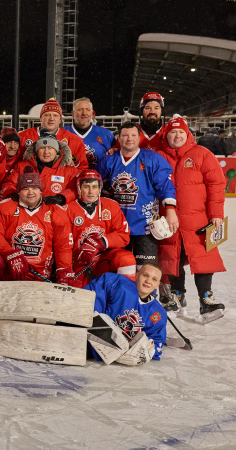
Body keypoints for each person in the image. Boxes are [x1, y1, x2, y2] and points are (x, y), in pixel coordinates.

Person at [153, 116, 226, 321]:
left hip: (198, 219)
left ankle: (206, 299)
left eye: (181, 133)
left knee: (203, 256)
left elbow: (216, 185)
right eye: (172, 132)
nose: (177, 136)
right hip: (169, 218)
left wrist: (216, 214)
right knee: (171, 256)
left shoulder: (202, 154)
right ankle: (176, 295)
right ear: (166, 135)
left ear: (188, 134)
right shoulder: (158, 156)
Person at [96, 122, 177, 270]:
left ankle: (147, 295)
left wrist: (171, 210)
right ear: (118, 138)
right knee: (120, 270)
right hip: (116, 227)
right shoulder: (108, 160)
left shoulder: (152, 159)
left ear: (139, 138)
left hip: (145, 226)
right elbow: (95, 189)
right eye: (125, 135)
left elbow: (165, 186)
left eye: (133, 135)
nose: (129, 139)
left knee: (146, 271)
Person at [0, 168, 74, 284]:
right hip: (10, 270)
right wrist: (10, 253)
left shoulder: (55, 211)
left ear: (41, 190)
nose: (30, 192)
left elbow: (63, 245)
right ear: (18, 191)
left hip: (40, 276)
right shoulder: (5, 207)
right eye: (25, 189)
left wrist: (64, 270)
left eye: (35, 188)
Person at [64, 169, 135, 288]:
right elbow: (62, 244)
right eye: (86, 186)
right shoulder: (68, 209)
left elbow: (123, 235)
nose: (91, 191)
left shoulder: (111, 206)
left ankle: (126, 295)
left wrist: (101, 242)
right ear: (79, 188)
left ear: (99, 189)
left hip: (104, 260)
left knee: (126, 259)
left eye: (95, 187)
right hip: (79, 263)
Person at [84, 263, 168, 361]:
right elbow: (91, 296)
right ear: (137, 275)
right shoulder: (118, 284)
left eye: (154, 279)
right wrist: (95, 322)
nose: (148, 281)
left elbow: (156, 341)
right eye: (145, 275)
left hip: (119, 362)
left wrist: (143, 352)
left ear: (157, 284)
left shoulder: (158, 313)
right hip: (89, 345)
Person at [2, 135, 79, 206]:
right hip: (25, 211)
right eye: (42, 148)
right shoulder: (22, 166)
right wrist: (12, 194)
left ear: (56, 151)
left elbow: (75, 188)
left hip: (55, 213)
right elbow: (9, 183)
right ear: (36, 151)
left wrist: (61, 198)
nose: (46, 152)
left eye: (50, 148)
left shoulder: (69, 169)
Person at [17, 98, 88, 169]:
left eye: (55, 115)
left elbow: (82, 167)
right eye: (47, 115)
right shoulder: (23, 136)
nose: (51, 118)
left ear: (60, 120)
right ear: (40, 118)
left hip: (60, 179)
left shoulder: (75, 140)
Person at [62, 97, 116, 167]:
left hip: (98, 177)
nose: (84, 113)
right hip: (70, 177)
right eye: (80, 110)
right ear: (73, 113)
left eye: (87, 110)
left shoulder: (106, 134)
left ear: (92, 113)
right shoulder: (62, 133)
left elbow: (116, 160)